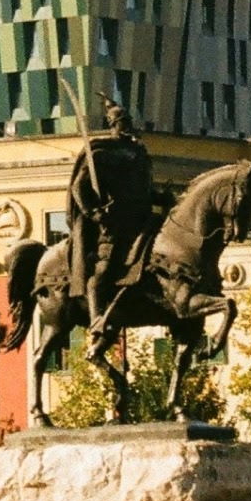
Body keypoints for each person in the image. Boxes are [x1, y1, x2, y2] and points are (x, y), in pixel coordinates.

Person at [67, 95, 154, 347]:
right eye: (120, 122)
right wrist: (94, 212)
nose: (126, 126)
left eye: (127, 121)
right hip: (117, 222)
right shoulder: (103, 153)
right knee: (103, 271)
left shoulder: (140, 153)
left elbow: (145, 190)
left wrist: (163, 196)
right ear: (112, 125)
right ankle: (96, 320)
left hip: (143, 218)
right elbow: (78, 186)